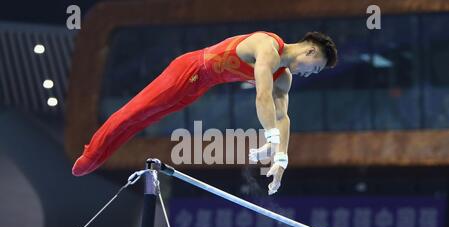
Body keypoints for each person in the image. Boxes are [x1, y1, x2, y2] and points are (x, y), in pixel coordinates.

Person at [72, 30, 338, 195]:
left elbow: (282, 117)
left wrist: (280, 159)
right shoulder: (268, 47)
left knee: (146, 119)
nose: (310, 73)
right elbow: (262, 95)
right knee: (136, 111)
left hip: (202, 84)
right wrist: (270, 138)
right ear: (310, 50)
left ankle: (100, 155)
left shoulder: (284, 78)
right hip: (189, 69)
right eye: (315, 67)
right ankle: (91, 155)